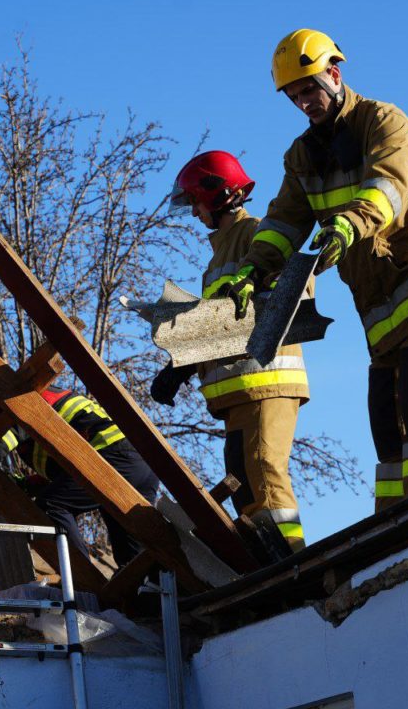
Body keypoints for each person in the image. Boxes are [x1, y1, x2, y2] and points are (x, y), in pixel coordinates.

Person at [228, 29, 408, 511]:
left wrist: (348, 224)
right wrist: (252, 270)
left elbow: (389, 188)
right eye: (294, 96)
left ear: (334, 75)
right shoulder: (303, 156)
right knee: (387, 427)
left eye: (309, 89)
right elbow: (283, 220)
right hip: (380, 313)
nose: (304, 103)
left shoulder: (385, 123)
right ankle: (390, 536)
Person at [150, 151, 309, 550]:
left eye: (196, 203)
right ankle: (267, 570)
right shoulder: (218, 257)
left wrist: (195, 339)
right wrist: (181, 364)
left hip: (265, 383)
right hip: (237, 393)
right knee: (245, 491)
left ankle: (294, 565)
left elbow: (295, 294)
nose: (194, 214)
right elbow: (222, 324)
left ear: (217, 194)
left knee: (264, 478)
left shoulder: (257, 233)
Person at [0, 386, 159, 568]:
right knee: (132, 559)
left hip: (112, 458)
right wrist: (29, 484)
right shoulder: (42, 414)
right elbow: (66, 478)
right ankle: (150, 589)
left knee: (51, 504)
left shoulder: (24, 403)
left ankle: (84, 577)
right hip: (138, 464)